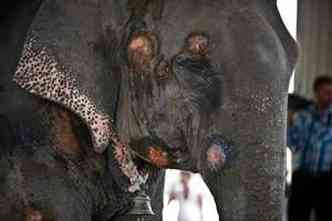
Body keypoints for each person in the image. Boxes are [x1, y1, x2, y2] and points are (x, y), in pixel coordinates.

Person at [288, 75, 332, 221]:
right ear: (316, 92)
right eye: (326, 92)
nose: (330, 96)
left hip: (326, 180)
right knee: (297, 216)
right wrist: (287, 123)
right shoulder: (303, 117)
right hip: (303, 177)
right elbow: (293, 143)